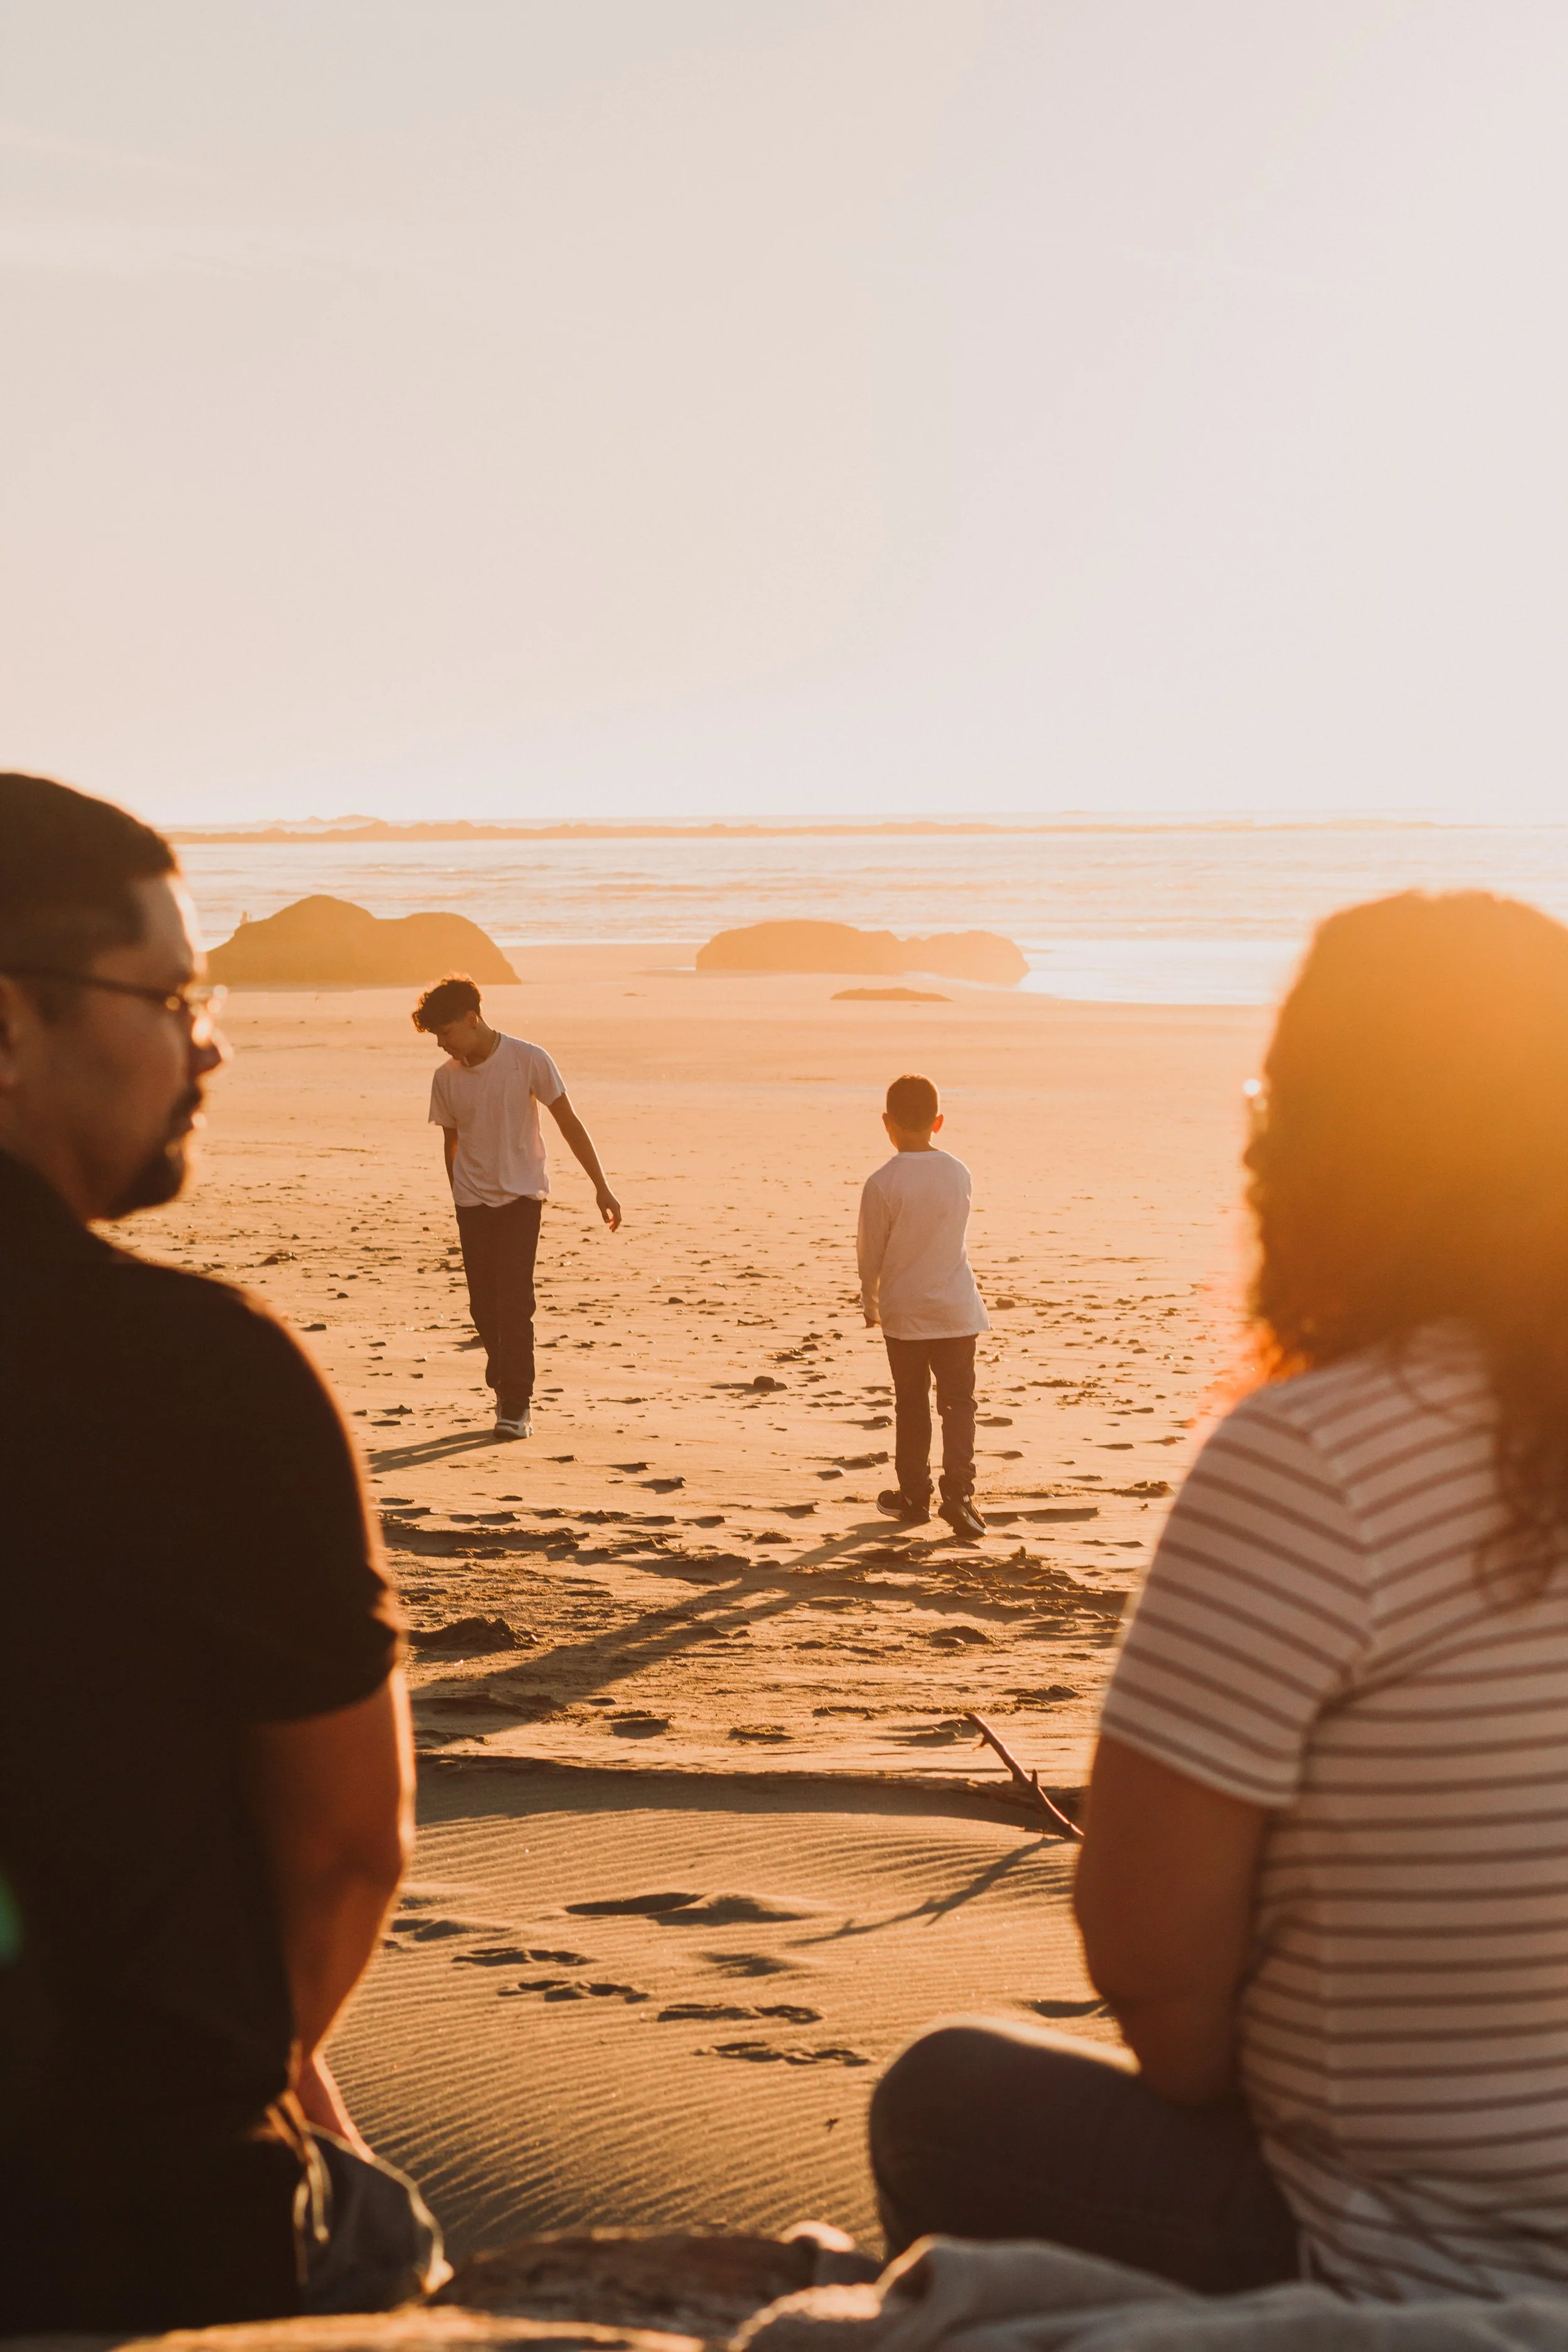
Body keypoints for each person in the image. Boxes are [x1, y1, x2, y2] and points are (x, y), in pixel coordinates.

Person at [869, 890, 1568, 2304]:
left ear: (1314, 1146)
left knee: (937, 2098)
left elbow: (1158, 1990)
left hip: (1415, 2258)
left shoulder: (1320, 1454)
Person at [0, 773, 443, 2333]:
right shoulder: (195, 1378)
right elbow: (343, 1850)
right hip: (125, 2233)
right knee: (384, 2233)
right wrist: (249, 2056)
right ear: (6, 1031)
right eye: (172, 995)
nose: (210, 1042)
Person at [414, 973, 621, 1439]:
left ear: (472, 1019)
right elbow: (451, 1142)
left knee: (514, 1302)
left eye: (446, 1033)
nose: (442, 1044)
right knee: (483, 1308)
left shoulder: (529, 1059)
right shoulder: (445, 1080)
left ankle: (516, 1401)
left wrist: (601, 1186)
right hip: (471, 1202)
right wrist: (458, 1193)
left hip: (522, 1197)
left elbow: (568, 1122)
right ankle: (504, 1379)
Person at [857, 1073, 987, 1541]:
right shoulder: (959, 1172)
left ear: (886, 1123)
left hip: (905, 1312)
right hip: (955, 1308)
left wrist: (871, 1302)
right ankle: (960, 1495)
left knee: (911, 1405)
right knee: (959, 1404)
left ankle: (914, 1496)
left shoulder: (882, 1183)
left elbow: (870, 1252)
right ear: (939, 1122)